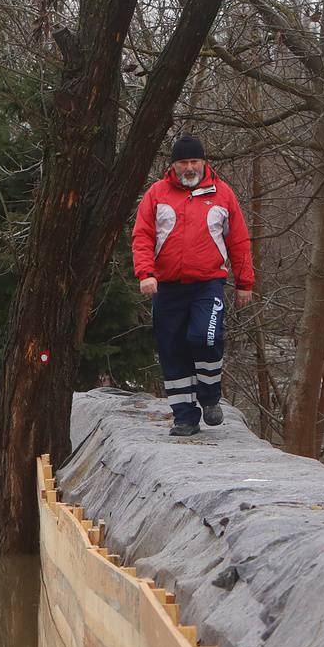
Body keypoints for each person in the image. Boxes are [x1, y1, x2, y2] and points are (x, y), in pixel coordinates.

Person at [132, 133, 256, 437]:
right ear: (173, 165)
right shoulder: (157, 194)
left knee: (205, 338)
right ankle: (185, 417)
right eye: (183, 162)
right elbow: (142, 236)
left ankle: (210, 395)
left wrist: (245, 282)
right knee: (172, 350)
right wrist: (145, 273)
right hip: (167, 287)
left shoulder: (223, 194)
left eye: (195, 161)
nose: (190, 167)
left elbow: (238, 240)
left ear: (204, 162)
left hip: (207, 284)